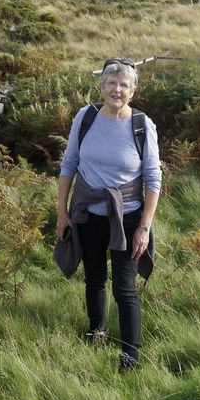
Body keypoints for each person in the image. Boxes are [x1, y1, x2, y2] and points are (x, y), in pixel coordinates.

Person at [56, 57, 162, 372]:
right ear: (101, 86)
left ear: (133, 91)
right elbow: (69, 163)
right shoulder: (85, 117)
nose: (117, 90)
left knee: (124, 287)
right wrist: (62, 213)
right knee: (94, 277)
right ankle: (97, 331)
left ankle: (130, 356)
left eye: (124, 85)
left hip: (128, 217)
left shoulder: (142, 125)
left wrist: (144, 227)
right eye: (111, 83)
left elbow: (153, 178)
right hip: (88, 213)